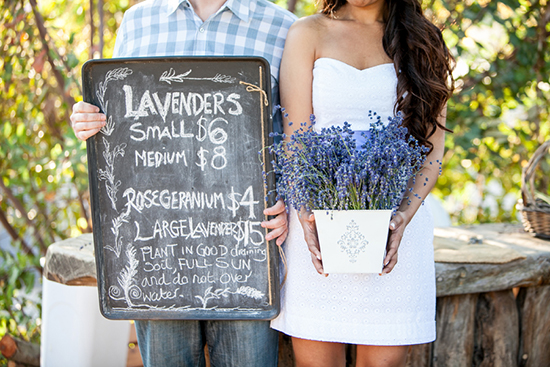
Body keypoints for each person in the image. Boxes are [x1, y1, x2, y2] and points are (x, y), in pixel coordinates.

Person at [70, 0, 296, 365]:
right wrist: (88, 119)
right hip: (156, 252)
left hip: (245, 250)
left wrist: (288, 201)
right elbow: (115, 123)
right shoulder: (138, 21)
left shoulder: (282, 26)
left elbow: (297, 131)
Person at [269, 0, 454, 366]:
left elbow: (433, 151)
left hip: (393, 231)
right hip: (319, 228)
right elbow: (296, 140)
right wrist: (307, 219)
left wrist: (402, 217)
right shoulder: (308, 32)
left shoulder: (423, 40)